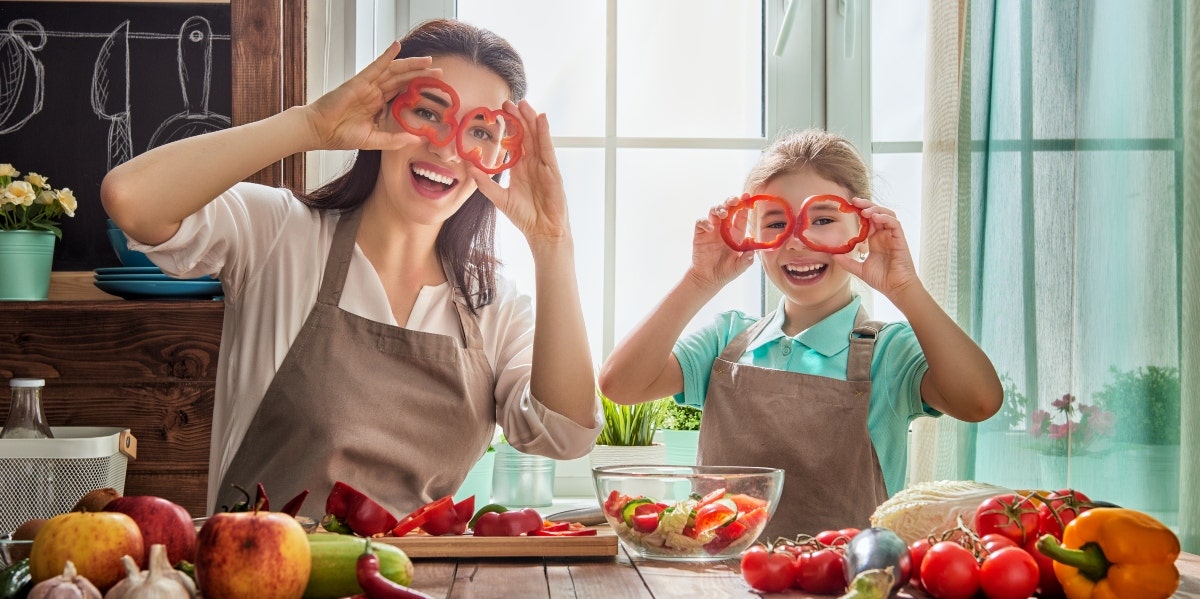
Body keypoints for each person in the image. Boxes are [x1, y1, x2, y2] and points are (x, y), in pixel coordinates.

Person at [101, 19, 602, 519]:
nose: (446, 149)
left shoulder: (493, 304)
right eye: (428, 112)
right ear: (384, 110)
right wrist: (310, 125)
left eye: (479, 130)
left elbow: (567, 433)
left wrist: (552, 242)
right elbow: (131, 200)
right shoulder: (279, 234)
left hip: (417, 586)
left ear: (499, 155)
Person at [597, 129, 1002, 539]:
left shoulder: (888, 351)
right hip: (722, 585)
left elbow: (979, 401)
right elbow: (620, 384)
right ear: (753, 239)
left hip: (844, 584)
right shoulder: (727, 342)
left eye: (823, 220)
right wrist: (699, 279)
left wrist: (904, 288)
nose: (795, 242)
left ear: (861, 227)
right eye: (775, 223)